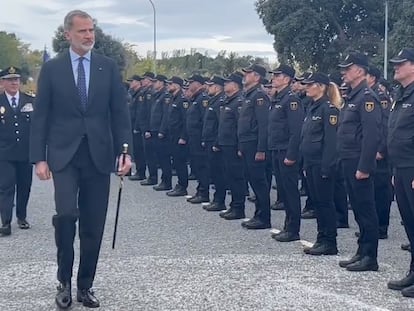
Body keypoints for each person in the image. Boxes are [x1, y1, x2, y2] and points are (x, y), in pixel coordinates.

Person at [30, 10, 132, 309]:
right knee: (65, 216)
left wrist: (125, 150)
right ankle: (63, 280)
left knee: (92, 225)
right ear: (68, 34)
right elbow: (41, 116)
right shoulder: (52, 69)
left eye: (92, 30)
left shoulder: (107, 67)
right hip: (64, 155)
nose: (89, 36)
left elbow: (119, 113)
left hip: (99, 156)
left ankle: (85, 285)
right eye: (83, 31)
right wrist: (39, 158)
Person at [337, 52, 381, 272]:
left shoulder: (366, 97)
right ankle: (362, 251)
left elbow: (372, 136)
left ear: (360, 70)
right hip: (349, 160)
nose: (343, 72)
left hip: (359, 163)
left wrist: (364, 166)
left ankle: (370, 256)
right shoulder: (353, 97)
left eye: (348, 68)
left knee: (366, 209)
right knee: (357, 207)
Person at [300, 72, 341, 255]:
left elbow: (331, 142)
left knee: (325, 203)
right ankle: (321, 238)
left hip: (322, 164)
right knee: (317, 203)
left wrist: (327, 167)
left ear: (322, 86)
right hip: (311, 163)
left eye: (310, 84)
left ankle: (330, 241)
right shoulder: (312, 107)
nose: (306, 87)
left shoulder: (329, 109)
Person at [387, 48, 414, 298]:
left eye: (401, 63)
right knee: (410, 223)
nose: (396, 66)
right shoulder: (401, 93)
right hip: (401, 167)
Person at [268, 64, 304, 241]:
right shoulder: (277, 99)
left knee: (290, 190)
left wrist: (291, 154)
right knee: (283, 189)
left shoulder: (291, 100)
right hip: (276, 149)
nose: (273, 78)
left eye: (278, 75)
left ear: (287, 79)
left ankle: (293, 228)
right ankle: (287, 225)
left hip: (286, 151)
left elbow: (296, 131)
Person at [0, 66, 34, 236]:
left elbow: (36, 127)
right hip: (4, 153)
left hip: (25, 152)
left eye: (16, 80)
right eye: (9, 80)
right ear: (2, 82)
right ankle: (5, 222)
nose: (14, 83)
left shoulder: (30, 100)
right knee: (6, 187)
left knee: (24, 185)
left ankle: (21, 216)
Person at [237, 64, 271, 229]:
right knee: (252, 180)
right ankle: (258, 214)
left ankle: (263, 217)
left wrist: (261, 149)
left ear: (257, 77)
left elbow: (263, 125)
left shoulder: (259, 96)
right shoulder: (248, 95)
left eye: (248, 73)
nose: (245, 76)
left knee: (259, 181)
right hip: (246, 143)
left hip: (254, 143)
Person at [217, 72, 246, 219]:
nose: (224, 85)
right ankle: (233, 205)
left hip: (233, 145)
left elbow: (240, 127)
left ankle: (239, 208)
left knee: (236, 177)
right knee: (230, 176)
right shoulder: (228, 101)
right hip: (226, 144)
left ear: (235, 85)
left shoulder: (238, 102)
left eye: (227, 82)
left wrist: (240, 146)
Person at [202, 76, 227, 211]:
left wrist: (217, 142)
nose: (208, 88)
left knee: (219, 173)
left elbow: (221, 125)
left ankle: (219, 200)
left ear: (217, 87)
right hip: (209, 140)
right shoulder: (214, 101)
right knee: (214, 172)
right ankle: (216, 199)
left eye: (211, 86)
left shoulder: (220, 102)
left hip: (215, 142)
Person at [165, 76, 189, 197]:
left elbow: (186, 120)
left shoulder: (182, 99)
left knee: (180, 162)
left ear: (177, 85)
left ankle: (182, 186)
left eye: (170, 84)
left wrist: (183, 136)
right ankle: (179, 185)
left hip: (179, 136)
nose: (168, 86)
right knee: (176, 161)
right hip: (172, 135)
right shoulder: (172, 98)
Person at [127, 75, 147, 181]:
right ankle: (138, 171)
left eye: (132, 81)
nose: (131, 83)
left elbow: (140, 112)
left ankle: (141, 172)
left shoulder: (140, 94)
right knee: (136, 150)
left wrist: (137, 127)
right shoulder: (133, 94)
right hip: (133, 124)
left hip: (137, 126)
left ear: (138, 82)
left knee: (139, 150)